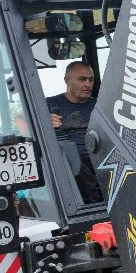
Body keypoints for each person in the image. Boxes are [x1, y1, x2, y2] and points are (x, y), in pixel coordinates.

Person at [46, 61, 102, 202]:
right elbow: (21, 119)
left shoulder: (100, 105)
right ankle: (93, 204)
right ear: (67, 80)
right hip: (69, 163)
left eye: (91, 80)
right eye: (82, 79)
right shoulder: (49, 104)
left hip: (99, 155)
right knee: (71, 152)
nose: (88, 84)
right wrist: (43, 124)